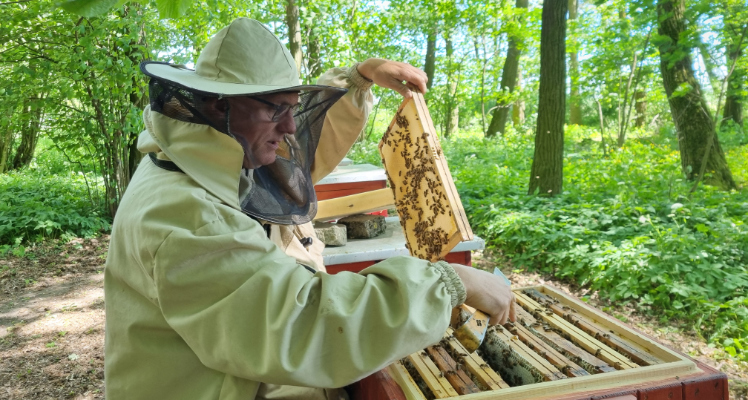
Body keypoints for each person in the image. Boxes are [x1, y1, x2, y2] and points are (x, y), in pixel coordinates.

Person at [104, 17, 515, 400]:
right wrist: (447, 282)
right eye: (275, 109)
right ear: (217, 106)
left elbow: (305, 146)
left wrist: (361, 76)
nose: (288, 128)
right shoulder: (186, 213)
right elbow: (295, 327)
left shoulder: (220, 154)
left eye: (291, 108)